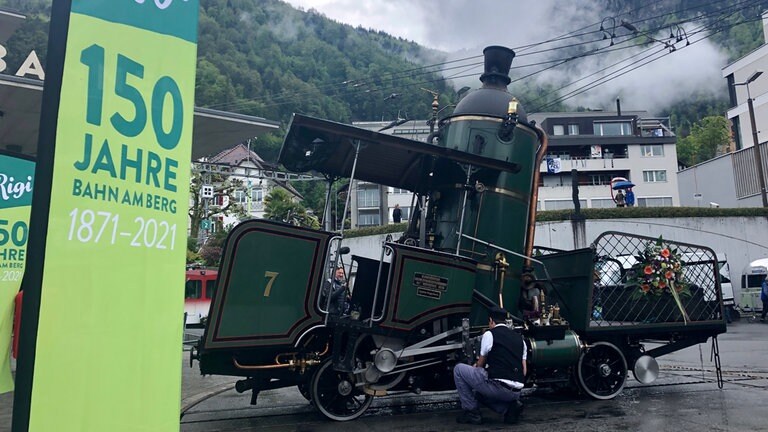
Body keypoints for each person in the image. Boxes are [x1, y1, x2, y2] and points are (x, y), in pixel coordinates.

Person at [454, 307, 527, 425]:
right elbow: (524, 371)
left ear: (491, 320)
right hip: (516, 392)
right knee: (480, 393)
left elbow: (480, 364)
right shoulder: (520, 339)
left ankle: (472, 413)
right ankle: (509, 409)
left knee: (459, 370)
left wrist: (475, 367)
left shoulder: (489, 334)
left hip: (498, 388)